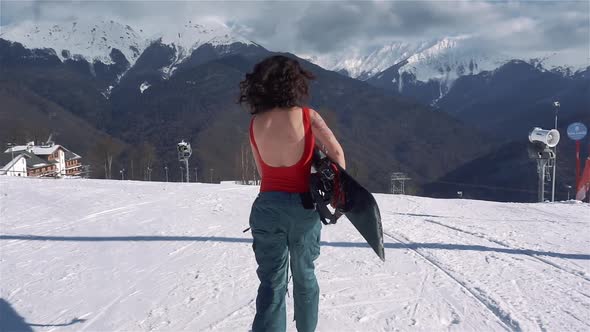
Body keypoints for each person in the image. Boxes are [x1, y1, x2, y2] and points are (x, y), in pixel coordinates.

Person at [239, 55, 345, 332]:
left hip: (266, 208)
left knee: (272, 284)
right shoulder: (308, 117)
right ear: (295, 83)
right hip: (303, 208)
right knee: (305, 278)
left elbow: (264, 172)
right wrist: (338, 193)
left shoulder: (256, 123)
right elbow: (336, 153)